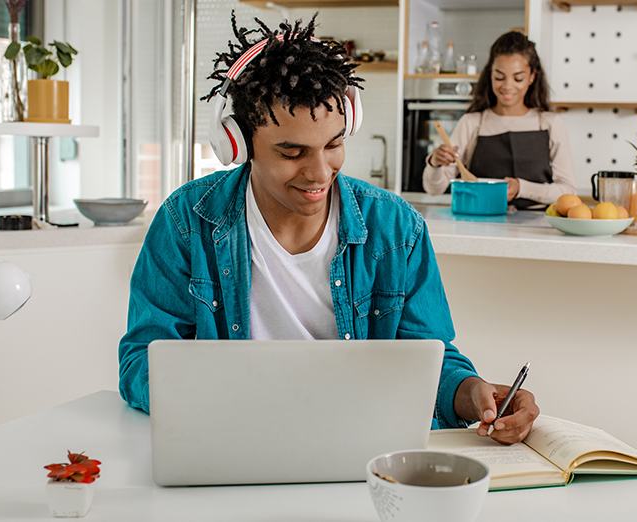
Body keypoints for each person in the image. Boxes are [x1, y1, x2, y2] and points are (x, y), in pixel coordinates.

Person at [117, 13, 539, 444]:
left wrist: (475, 396)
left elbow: (428, 362)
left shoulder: (396, 227)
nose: (319, 172)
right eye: (292, 151)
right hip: (234, 439)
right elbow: (141, 364)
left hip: (360, 447)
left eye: (334, 144)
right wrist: (240, 401)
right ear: (237, 144)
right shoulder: (186, 221)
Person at [422, 31, 576, 210]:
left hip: (538, 227)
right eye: (499, 77)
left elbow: (568, 192)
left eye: (518, 78)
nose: (507, 86)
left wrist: (522, 188)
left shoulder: (551, 123)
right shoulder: (472, 123)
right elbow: (433, 189)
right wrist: (435, 163)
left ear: (532, 76)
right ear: (490, 75)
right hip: (481, 223)